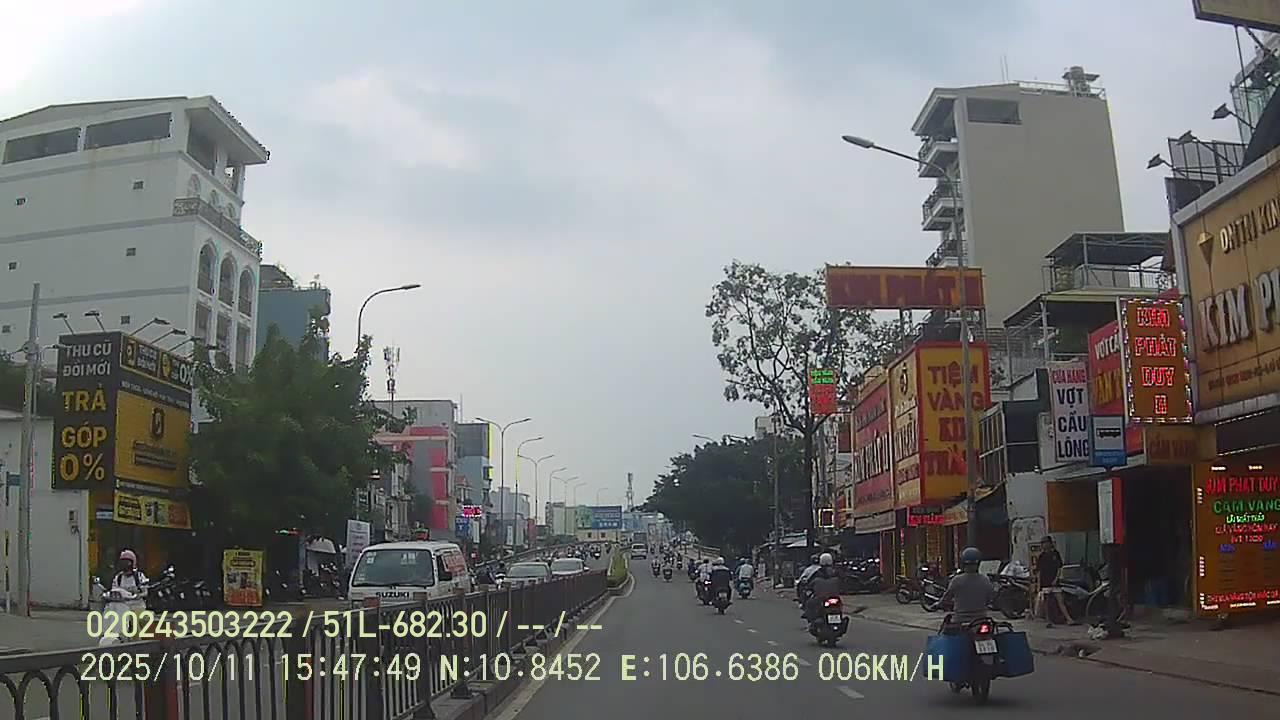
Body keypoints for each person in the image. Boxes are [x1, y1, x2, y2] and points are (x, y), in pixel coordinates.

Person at [940, 547, 995, 626]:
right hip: (981, 620)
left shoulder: (957, 580)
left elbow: (946, 598)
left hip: (960, 620)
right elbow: (990, 599)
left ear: (963, 564)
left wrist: (938, 604)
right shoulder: (985, 580)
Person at [1034, 537, 1075, 627]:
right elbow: (1039, 572)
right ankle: (1048, 621)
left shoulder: (1055, 554)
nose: (1044, 545)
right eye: (1043, 543)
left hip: (1055, 582)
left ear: (1050, 543)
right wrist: (1038, 585)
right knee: (1046, 603)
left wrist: (1056, 579)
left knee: (1060, 601)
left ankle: (1069, 619)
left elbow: (1059, 568)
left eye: (1046, 543)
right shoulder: (1041, 556)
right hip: (1045, 582)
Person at [803, 553, 842, 621]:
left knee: (810, 603)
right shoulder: (836, 572)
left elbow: (810, 583)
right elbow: (842, 582)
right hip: (834, 597)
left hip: (821, 598)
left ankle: (811, 618)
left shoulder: (818, 572)